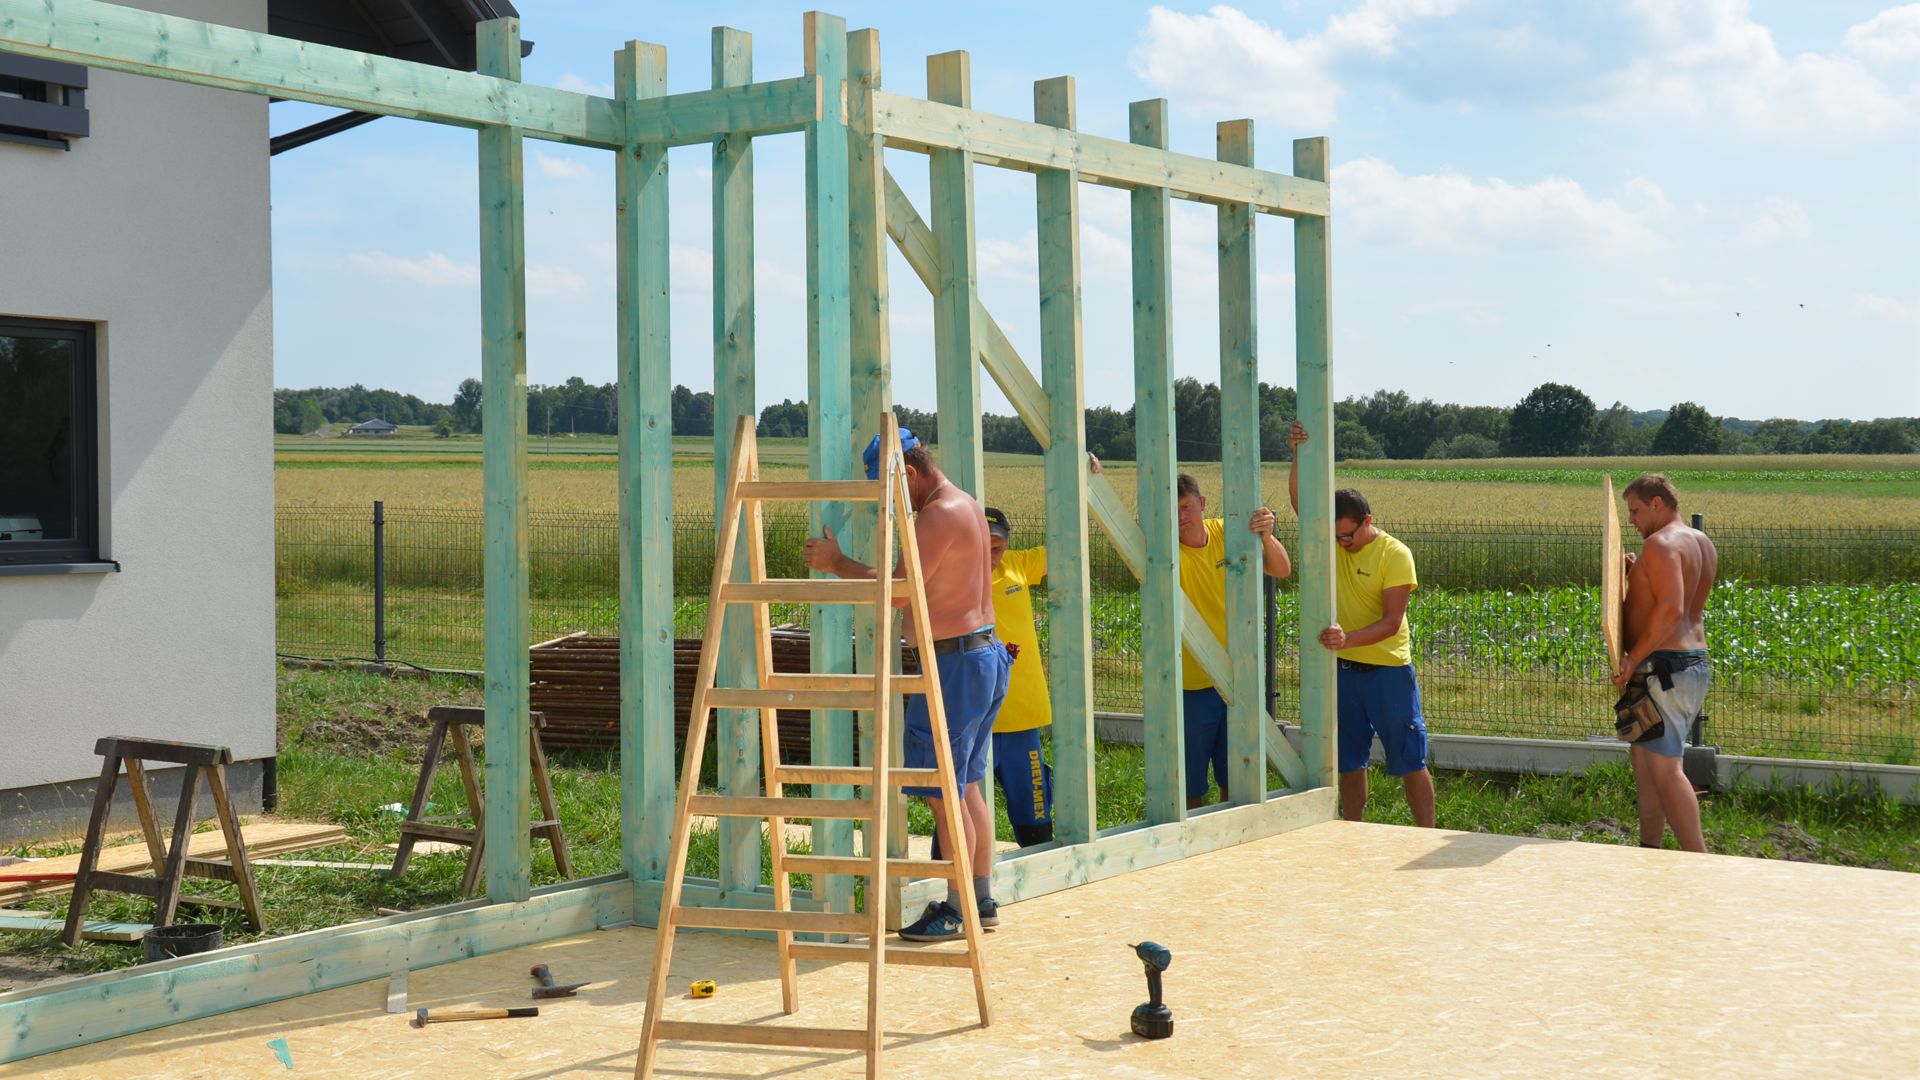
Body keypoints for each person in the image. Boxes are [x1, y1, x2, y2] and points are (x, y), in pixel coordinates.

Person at [802, 428, 1012, 940]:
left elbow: (899, 591)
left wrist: (836, 563)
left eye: (892, 488)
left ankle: (957, 909)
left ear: (910, 473)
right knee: (965, 787)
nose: (893, 503)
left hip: (954, 666)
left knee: (943, 792)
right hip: (976, 658)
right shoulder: (966, 504)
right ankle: (980, 899)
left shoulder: (937, 514)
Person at [1097, 455, 1290, 809]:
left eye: (1187, 506)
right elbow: (1116, 525)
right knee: (1190, 785)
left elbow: (1281, 568)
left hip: (1237, 678)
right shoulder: (1162, 554)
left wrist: (1266, 536)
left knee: (1238, 777)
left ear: (1202, 503)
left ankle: (1232, 835)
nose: (1182, 516)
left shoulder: (1228, 534)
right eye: (1174, 510)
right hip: (1188, 685)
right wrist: (1094, 476)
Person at [1288, 420, 1437, 828]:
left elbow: (1391, 623)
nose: (1342, 544)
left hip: (1389, 671)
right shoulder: (1334, 542)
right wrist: (1297, 453)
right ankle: (1352, 830)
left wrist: (1346, 639)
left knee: (1409, 759)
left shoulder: (1395, 555)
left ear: (1367, 520)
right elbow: (1301, 505)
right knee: (1349, 761)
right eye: (1336, 537)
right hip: (1345, 672)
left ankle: (1427, 834)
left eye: (1348, 536)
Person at [1614, 474, 1717, 853]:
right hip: (1690, 664)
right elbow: (1678, 599)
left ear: (1657, 503)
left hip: (1664, 670)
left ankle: (1699, 859)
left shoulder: (1659, 544)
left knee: (1666, 769)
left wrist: (1632, 659)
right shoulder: (1700, 542)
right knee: (1646, 764)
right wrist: (1637, 575)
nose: (1631, 520)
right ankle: (1650, 851)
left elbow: (1672, 609)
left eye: (1635, 510)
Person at [982, 506, 1055, 847]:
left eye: (996, 547)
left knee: (1034, 816)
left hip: (1022, 718)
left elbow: (1067, 545)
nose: (990, 555)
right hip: (977, 721)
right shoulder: (954, 572)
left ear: (1007, 545)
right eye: (982, 545)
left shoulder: (1018, 566)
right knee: (960, 814)